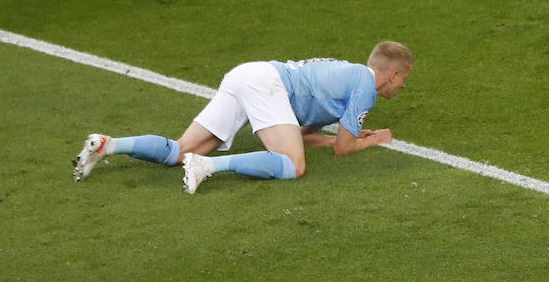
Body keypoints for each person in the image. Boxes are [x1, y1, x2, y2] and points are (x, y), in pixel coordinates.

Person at [72, 41, 413, 192]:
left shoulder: (347, 75)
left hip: (248, 75)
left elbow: (304, 132)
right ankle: (209, 168)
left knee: (181, 152)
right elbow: (344, 148)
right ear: (393, 74)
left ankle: (109, 144)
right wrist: (374, 140)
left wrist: (333, 138)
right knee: (294, 166)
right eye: (404, 80)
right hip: (267, 84)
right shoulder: (366, 85)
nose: (402, 88)